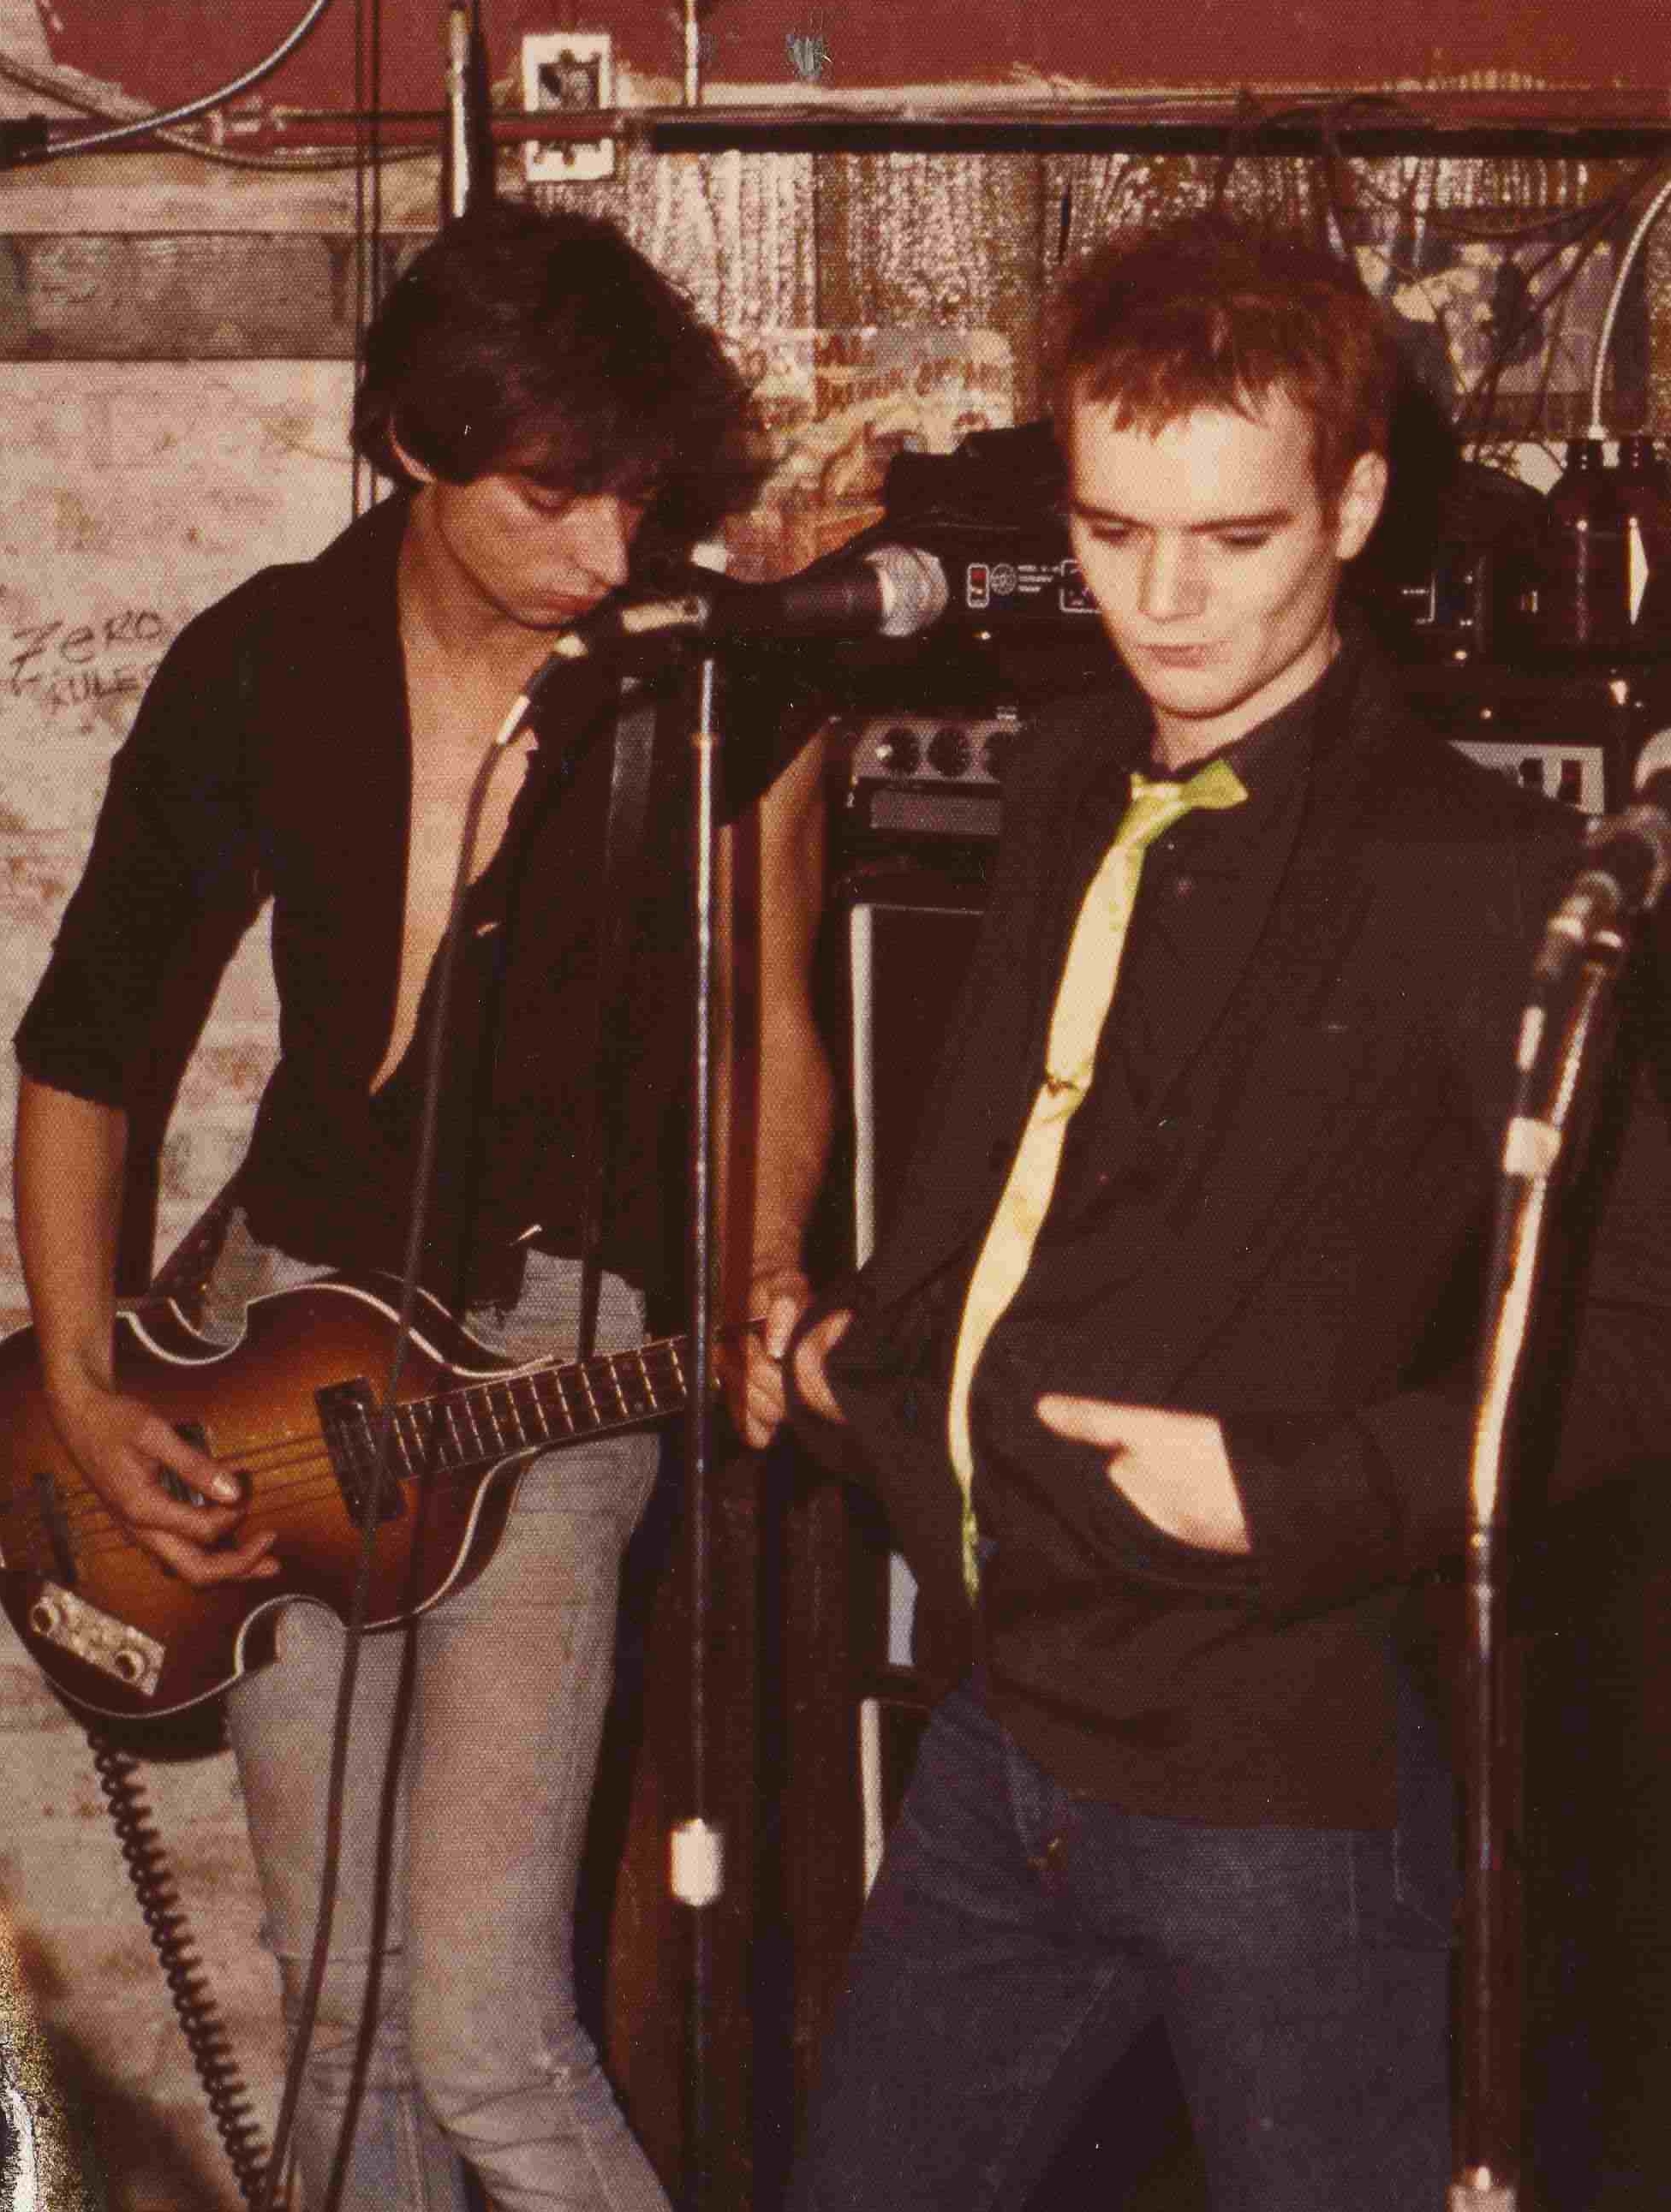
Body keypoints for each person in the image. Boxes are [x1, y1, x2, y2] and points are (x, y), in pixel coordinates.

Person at [785, 217, 1671, 2209]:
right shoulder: (1070, 772)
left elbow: (1641, 1341)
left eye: (1234, 537)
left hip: (1273, 1784)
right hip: (1000, 1723)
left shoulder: (1480, 872)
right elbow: (1032, 1170)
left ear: (1351, 505)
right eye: (1113, 533)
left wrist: (1297, 1489)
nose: (1165, 600)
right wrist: (878, 1345)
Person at [12, 203, 832, 2212]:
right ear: (410, 445)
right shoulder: (258, 661)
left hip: (563, 1354)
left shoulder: (715, 689)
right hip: (285, 1354)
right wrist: (93, 1388)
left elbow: (775, 1025)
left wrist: (759, 1270)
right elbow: (89, 1042)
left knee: (484, 2030)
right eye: (551, 497)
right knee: (342, 2017)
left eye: (635, 494)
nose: (608, 552)